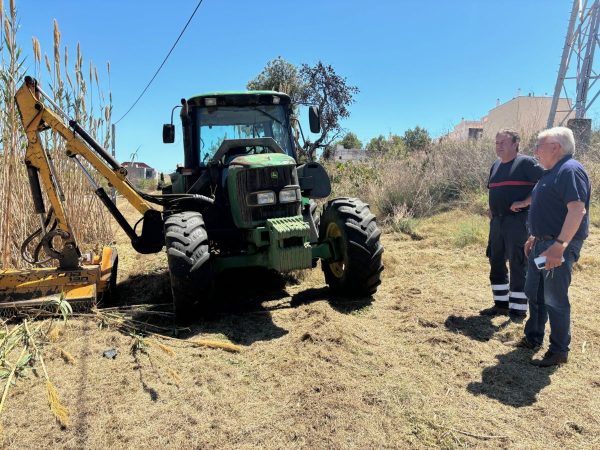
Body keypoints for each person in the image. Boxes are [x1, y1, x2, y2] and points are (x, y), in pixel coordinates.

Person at [516, 127, 591, 367]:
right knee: (535, 292)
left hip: (556, 247)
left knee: (554, 298)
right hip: (541, 243)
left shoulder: (570, 170)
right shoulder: (550, 173)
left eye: (539, 145)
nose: (535, 151)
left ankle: (559, 350)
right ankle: (533, 338)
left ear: (556, 147)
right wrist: (533, 237)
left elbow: (577, 210)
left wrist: (559, 246)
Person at [482, 129, 544, 321]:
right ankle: (500, 305)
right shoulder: (495, 165)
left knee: (518, 262)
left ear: (516, 143)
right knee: (496, 260)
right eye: (496, 142)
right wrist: (491, 208)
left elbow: (545, 185)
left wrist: (525, 202)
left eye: (503, 142)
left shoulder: (527, 163)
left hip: (518, 221)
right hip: (497, 222)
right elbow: (493, 190)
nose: (498, 146)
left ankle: (517, 311)